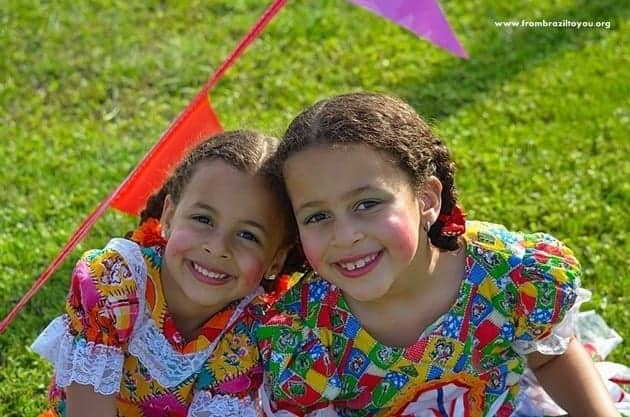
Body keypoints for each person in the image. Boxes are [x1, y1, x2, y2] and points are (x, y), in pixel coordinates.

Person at [256, 93, 620, 416]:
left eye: (367, 204)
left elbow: (551, 359)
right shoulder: (305, 328)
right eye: (317, 216)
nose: (346, 235)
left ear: (427, 199)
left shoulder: (505, 272)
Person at [31, 130, 297, 417]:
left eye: (247, 235)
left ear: (275, 261)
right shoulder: (115, 282)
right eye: (203, 219)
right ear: (168, 218)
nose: (217, 247)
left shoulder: (252, 328)